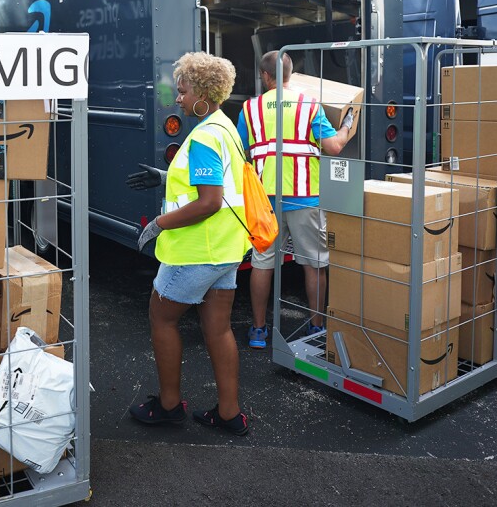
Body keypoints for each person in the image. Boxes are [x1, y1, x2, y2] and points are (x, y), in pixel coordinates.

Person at [124, 52, 250, 435]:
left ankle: (168, 406)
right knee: (218, 328)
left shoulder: (203, 138)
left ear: (203, 93)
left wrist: (158, 224)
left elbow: (209, 201)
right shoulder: (223, 127)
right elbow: (218, 185)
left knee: (161, 318)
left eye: (182, 91)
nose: (177, 99)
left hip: (197, 250)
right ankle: (229, 414)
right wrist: (165, 177)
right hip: (227, 250)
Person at [240, 51, 355, 346]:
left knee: (262, 263)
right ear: (291, 73)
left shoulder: (250, 109)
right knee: (314, 264)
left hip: (266, 201)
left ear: (265, 76)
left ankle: (258, 330)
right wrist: (347, 125)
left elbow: (242, 152)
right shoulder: (309, 106)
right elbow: (334, 147)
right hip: (306, 199)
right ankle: (316, 327)